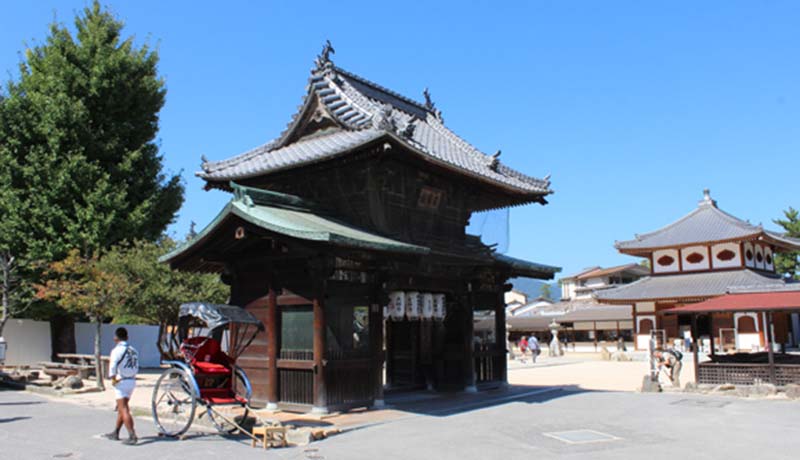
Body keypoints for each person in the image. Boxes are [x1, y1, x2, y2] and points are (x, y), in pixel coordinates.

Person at [103, 327, 139, 445]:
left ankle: (132, 435)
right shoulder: (133, 350)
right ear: (127, 337)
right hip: (132, 381)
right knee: (122, 407)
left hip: (121, 381)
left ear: (115, 338)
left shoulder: (116, 350)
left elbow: (112, 366)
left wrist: (113, 378)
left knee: (123, 408)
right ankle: (116, 432)